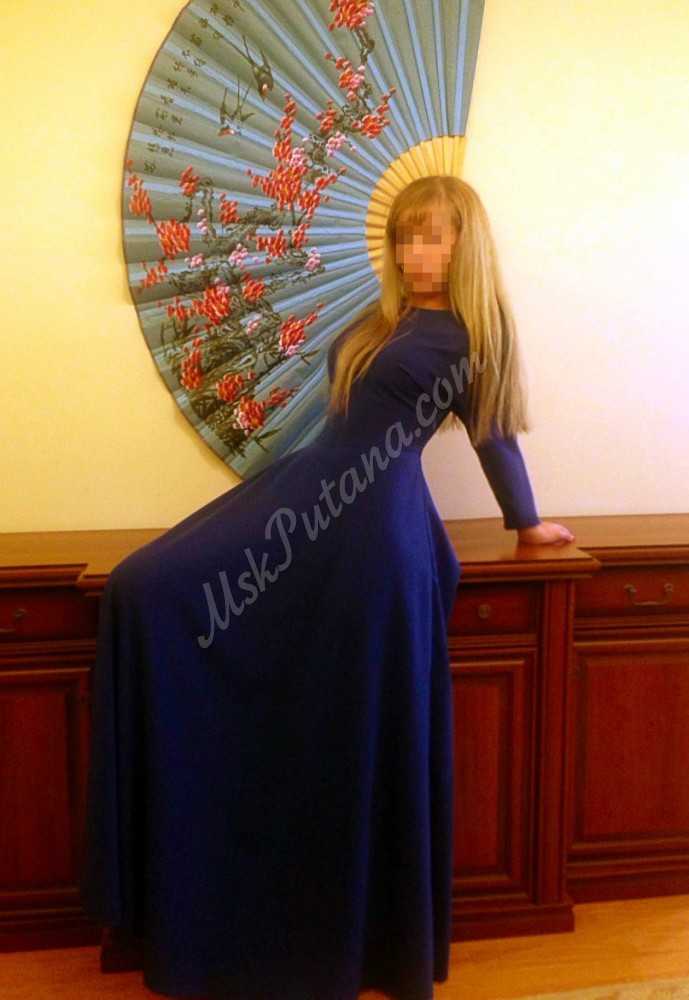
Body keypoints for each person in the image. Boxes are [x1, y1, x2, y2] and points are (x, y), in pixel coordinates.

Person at [79, 174, 575, 1000]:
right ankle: (189, 897)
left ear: (465, 244)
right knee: (142, 588)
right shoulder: (383, 322)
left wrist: (526, 523)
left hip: (373, 531)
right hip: (315, 497)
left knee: (340, 714)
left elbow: (494, 436)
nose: (415, 251)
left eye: (434, 235)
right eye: (405, 236)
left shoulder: (469, 338)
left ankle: (341, 935)